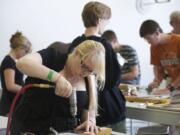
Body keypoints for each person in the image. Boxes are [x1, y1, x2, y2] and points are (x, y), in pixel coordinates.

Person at [10, 40, 105, 135]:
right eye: (83, 66)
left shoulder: (89, 81)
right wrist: (56, 78)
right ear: (76, 52)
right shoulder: (52, 57)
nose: (85, 72)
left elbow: (86, 117)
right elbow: (22, 63)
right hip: (28, 129)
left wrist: (90, 122)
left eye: (90, 71)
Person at [68, 1, 126, 133]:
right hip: (108, 109)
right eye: (107, 22)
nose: (106, 25)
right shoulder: (105, 46)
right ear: (100, 20)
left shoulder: (75, 44)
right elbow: (114, 79)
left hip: (82, 109)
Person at [139, 19, 180, 94]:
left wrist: (170, 88)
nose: (148, 42)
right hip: (175, 87)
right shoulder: (154, 47)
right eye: (145, 39)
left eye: (148, 38)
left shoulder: (178, 41)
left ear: (157, 33)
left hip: (174, 86)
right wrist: (157, 82)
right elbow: (158, 68)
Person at [0, 31, 32, 116]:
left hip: (14, 104)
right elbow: (10, 86)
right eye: (26, 51)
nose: (26, 55)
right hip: (9, 105)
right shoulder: (8, 61)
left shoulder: (13, 62)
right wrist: (27, 90)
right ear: (20, 48)